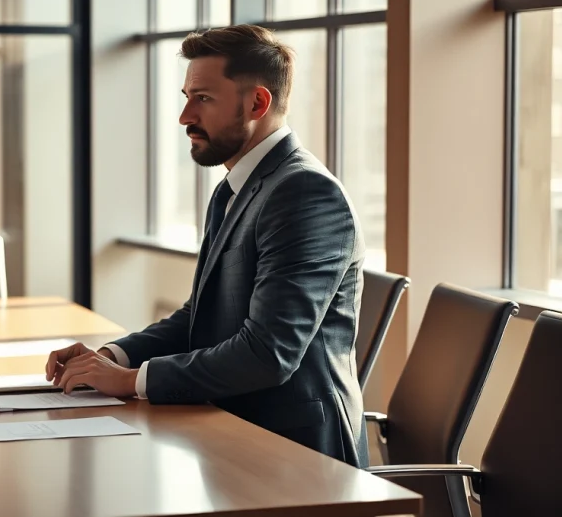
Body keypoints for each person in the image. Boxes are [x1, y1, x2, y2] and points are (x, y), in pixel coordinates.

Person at [45, 24, 368, 467]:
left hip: (298, 454)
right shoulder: (236, 187)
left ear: (257, 103)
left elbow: (268, 354)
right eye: (186, 97)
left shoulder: (305, 194)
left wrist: (130, 380)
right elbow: (200, 316)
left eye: (203, 98)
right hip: (230, 432)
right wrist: (110, 357)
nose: (185, 116)